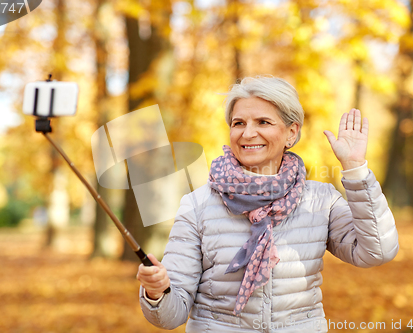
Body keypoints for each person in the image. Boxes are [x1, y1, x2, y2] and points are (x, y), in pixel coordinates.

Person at [137, 75, 399, 332]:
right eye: (239, 123)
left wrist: (355, 169)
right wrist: (157, 293)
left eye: (263, 122)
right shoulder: (198, 205)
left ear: (291, 132)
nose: (248, 133)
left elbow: (377, 251)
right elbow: (170, 316)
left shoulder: (321, 201)